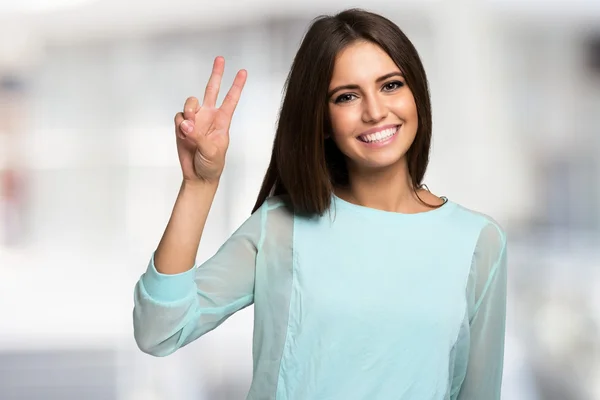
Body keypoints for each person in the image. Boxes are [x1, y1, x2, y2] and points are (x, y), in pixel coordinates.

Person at [132, 8, 508, 400]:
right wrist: (199, 184)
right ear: (323, 120)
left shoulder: (479, 242)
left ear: (417, 93)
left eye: (391, 85)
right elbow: (159, 329)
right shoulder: (281, 227)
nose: (375, 111)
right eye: (347, 96)